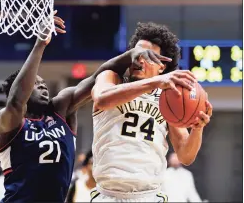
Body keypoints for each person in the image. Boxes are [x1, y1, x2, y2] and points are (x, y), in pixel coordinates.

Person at [0, 13, 172, 202]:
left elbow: (97, 77)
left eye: (43, 82)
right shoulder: (9, 122)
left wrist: (130, 56)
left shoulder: (61, 110)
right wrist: (40, 44)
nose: (43, 86)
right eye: (36, 85)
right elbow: (16, 100)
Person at [90, 22, 213, 202]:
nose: (140, 60)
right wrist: (155, 82)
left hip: (149, 195)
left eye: (149, 56)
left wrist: (197, 128)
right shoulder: (111, 78)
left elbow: (185, 156)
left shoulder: (168, 98)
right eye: (137, 54)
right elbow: (101, 99)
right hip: (109, 195)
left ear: (162, 67)